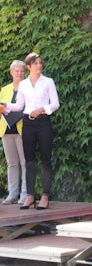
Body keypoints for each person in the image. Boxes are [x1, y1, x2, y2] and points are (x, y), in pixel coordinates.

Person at [0, 53, 60, 210]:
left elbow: (55, 104)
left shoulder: (48, 82)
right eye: (35, 63)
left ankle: (45, 196)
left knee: (46, 159)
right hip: (28, 124)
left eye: (40, 62)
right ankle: (30, 196)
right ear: (29, 66)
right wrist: (5, 105)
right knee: (29, 161)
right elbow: (20, 106)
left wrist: (41, 109)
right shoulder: (23, 85)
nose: (39, 65)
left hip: (44, 122)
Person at [0, 60, 27, 205]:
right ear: (11, 72)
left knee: (24, 162)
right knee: (12, 163)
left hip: (23, 129)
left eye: (22, 71)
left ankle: (24, 195)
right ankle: (12, 194)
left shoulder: (28, 88)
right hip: (6, 130)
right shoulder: (4, 89)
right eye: (16, 71)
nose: (19, 73)